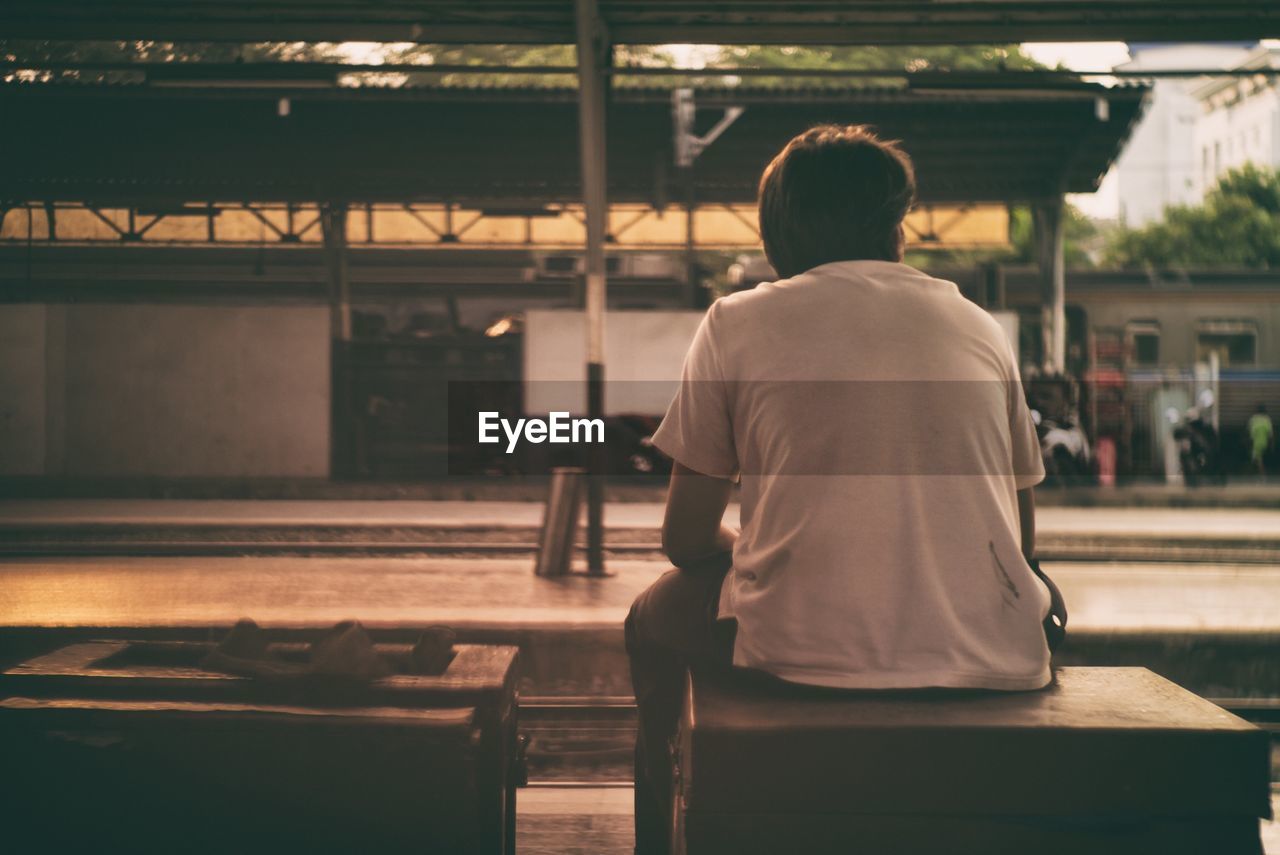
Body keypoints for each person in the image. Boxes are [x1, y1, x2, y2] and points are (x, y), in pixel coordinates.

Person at [624, 125, 1051, 854]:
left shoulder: (736, 322)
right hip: (999, 658)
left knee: (652, 615)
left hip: (797, 652)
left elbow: (684, 539)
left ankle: (668, 832)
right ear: (895, 225)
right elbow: (1022, 536)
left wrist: (757, 550)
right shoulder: (980, 326)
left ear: (777, 231)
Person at [1248, 403, 1274, 477]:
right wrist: (1272, 444)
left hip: (1256, 443)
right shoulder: (1267, 419)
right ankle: (1260, 475)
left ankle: (1263, 476)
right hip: (1265, 442)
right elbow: (1270, 433)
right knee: (1259, 459)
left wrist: (1249, 442)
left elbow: (1250, 432)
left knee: (1258, 460)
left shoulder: (1253, 419)